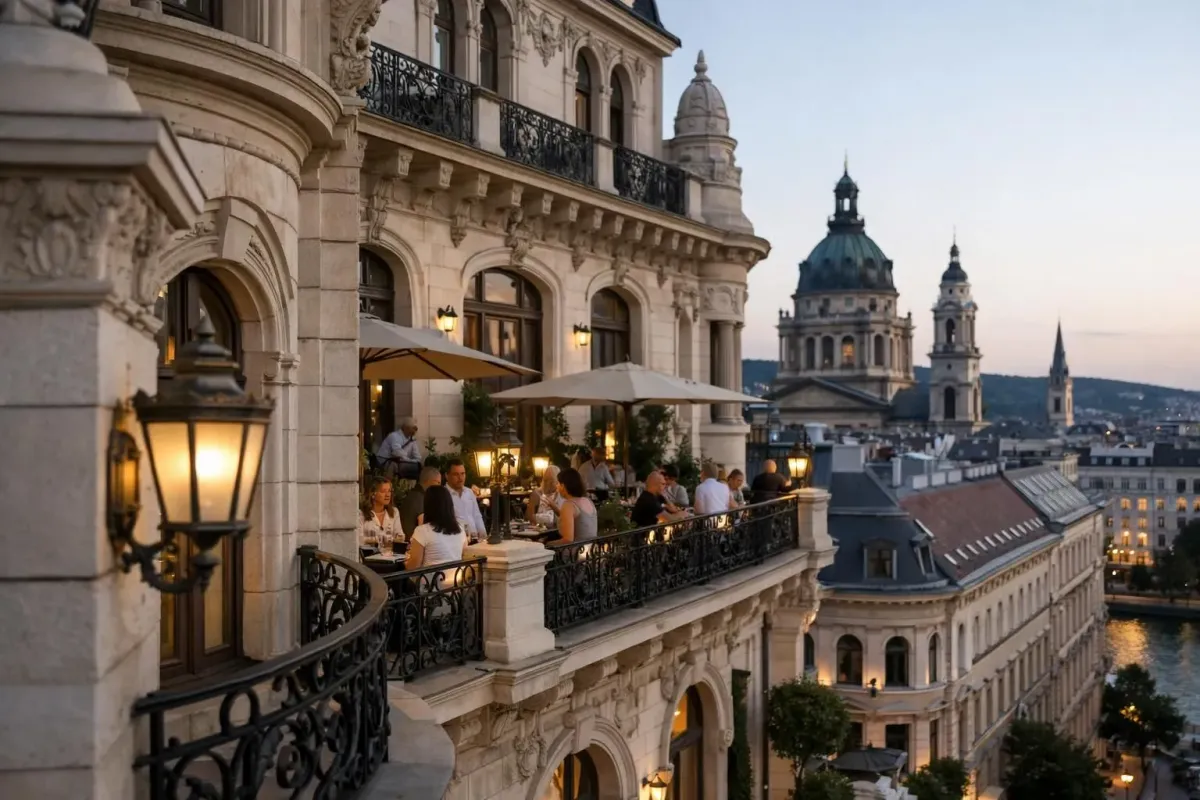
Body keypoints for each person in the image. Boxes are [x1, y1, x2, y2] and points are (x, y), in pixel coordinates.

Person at [408, 484, 468, 571]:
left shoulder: (422, 531)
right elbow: (464, 556)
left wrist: (405, 563)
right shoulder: (460, 530)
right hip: (456, 581)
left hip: (432, 583)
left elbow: (413, 566)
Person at [445, 459, 488, 541]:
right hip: (456, 542)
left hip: (475, 540)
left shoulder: (469, 492)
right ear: (447, 475)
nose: (460, 478)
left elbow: (477, 516)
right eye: (456, 474)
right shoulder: (443, 495)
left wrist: (484, 537)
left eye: (462, 474)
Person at [357, 476, 402, 551]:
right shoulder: (360, 513)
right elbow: (359, 540)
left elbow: (400, 537)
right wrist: (384, 539)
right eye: (383, 491)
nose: (388, 495)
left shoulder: (394, 512)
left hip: (390, 557)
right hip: (367, 558)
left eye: (389, 491)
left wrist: (374, 540)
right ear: (373, 494)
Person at [556, 468, 598, 544]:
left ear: (562, 486)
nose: (556, 487)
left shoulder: (568, 505)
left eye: (557, 483)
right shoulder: (588, 501)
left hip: (575, 552)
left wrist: (545, 545)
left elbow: (568, 540)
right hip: (591, 551)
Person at [399, 466, 442, 538]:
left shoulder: (413, 495)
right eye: (438, 482)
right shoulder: (421, 499)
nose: (440, 487)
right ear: (428, 481)